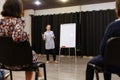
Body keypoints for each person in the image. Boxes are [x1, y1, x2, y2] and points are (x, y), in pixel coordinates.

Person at [0, 0, 43, 80]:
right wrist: (26, 36)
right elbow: (17, 36)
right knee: (31, 54)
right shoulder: (18, 21)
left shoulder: (1, 22)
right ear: (18, 9)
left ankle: (39, 74)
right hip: (21, 63)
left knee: (28, 54)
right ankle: (36, 75)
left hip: (4, 62)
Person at [86, 0, 120, 80]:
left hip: (111, 64)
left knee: (90, 63)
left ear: (117, 10)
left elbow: (103, 50)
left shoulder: (112, 27)